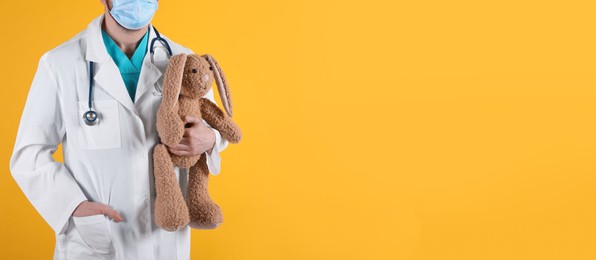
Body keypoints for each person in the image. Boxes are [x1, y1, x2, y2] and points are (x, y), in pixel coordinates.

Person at [9, 0, 230, 259]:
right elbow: (28, 156)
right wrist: (73, 206)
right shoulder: (59, 64)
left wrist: (211, 139)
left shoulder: (183, 60)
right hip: (96, 242)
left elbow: (214, 128)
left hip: (165, 241)